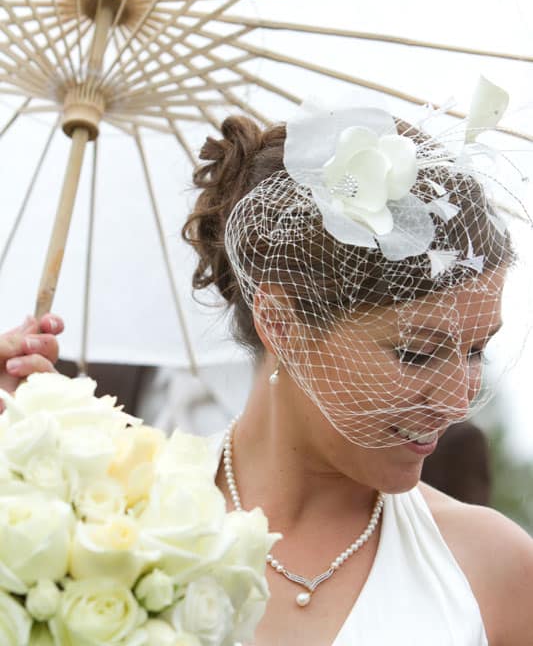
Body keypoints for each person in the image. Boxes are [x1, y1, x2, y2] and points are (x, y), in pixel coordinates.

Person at [2, 104, 533, 645]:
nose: (457, 401)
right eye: (416, 354)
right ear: (280, 323)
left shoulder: (496, 570)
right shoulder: (101, 521)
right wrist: (18, 472)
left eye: (476, 350)